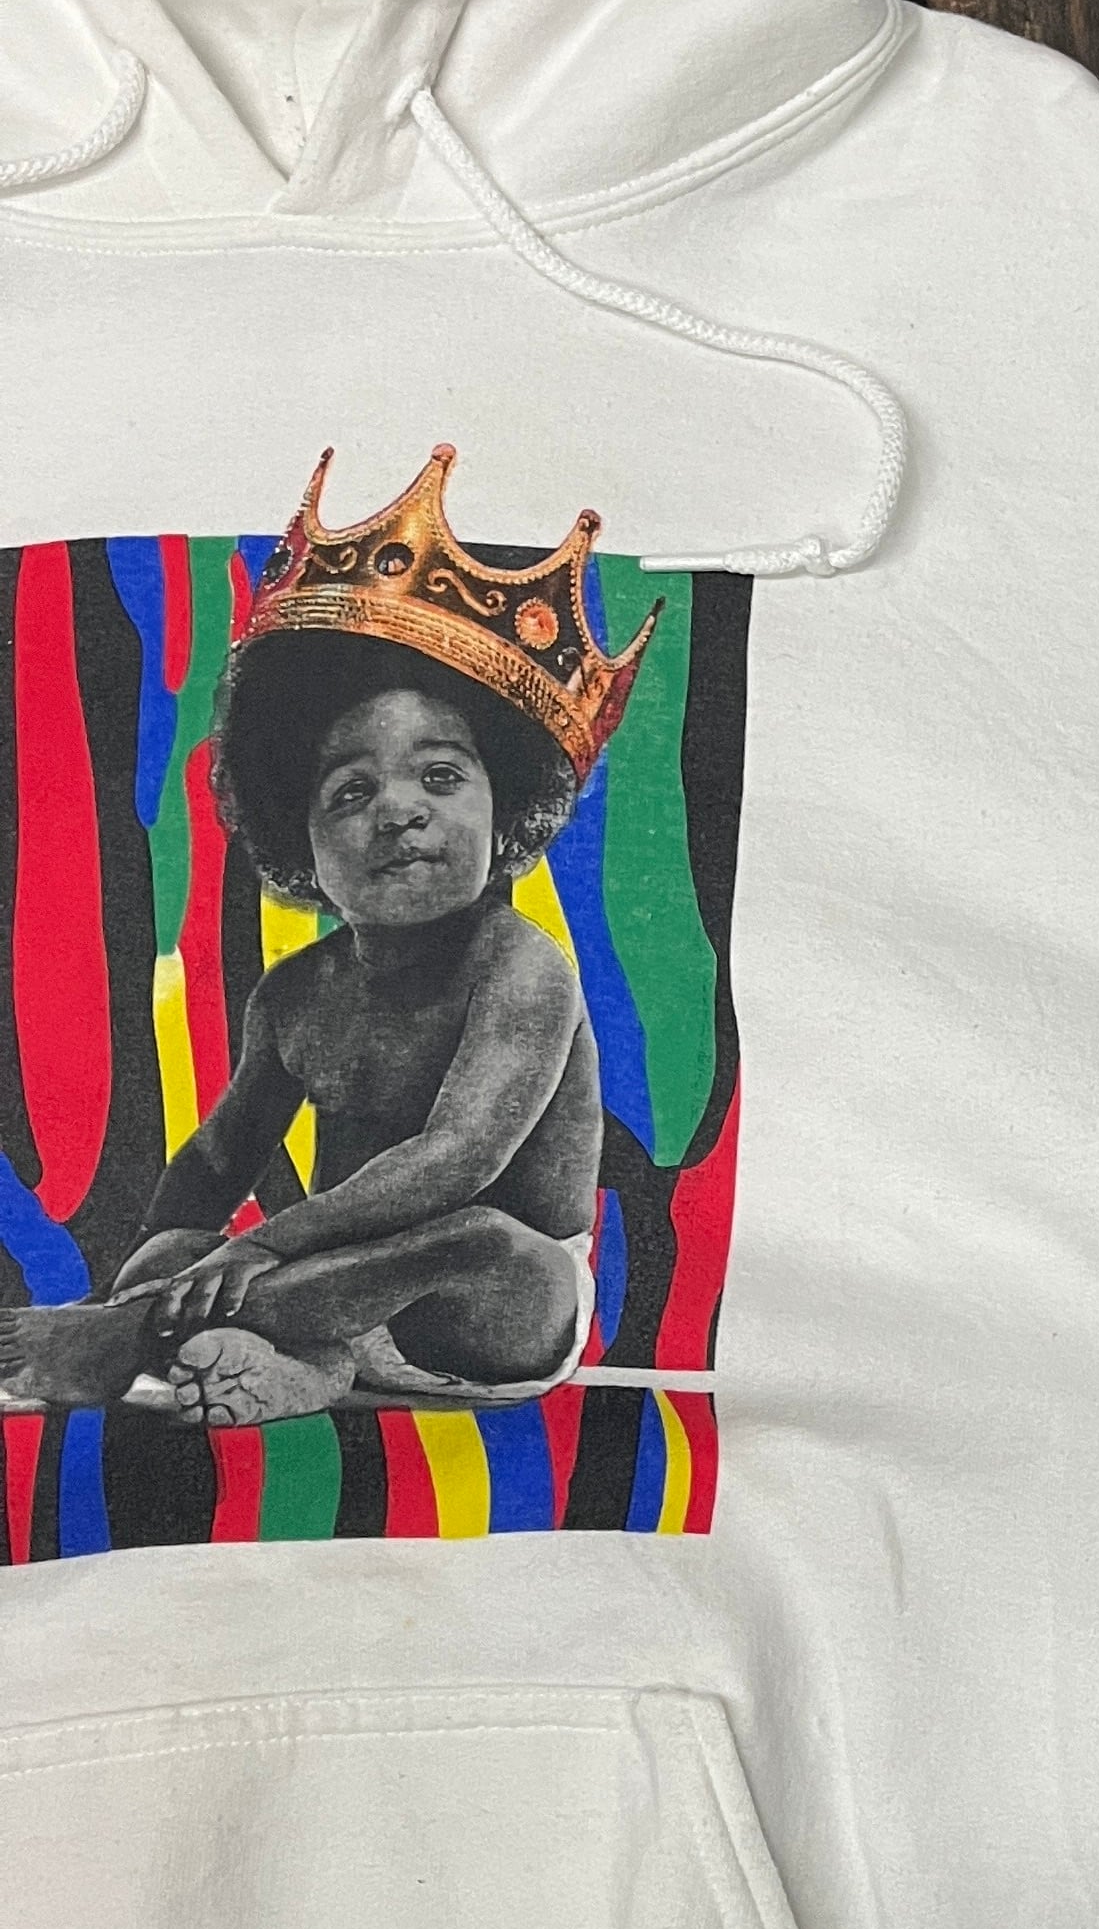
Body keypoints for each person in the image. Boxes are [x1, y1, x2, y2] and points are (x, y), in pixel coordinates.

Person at [0, 464, 644, 1429]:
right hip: (330, 1294)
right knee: (180, 1251)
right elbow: (219, 1157)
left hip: (491, 1314)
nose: (399, 812)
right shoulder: (295, 993)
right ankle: (300, 1367)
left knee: (484, 1238)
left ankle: (133, 1337)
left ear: (503, 806)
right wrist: (164, 1255)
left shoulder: (521, 966)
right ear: (296, 846)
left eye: (440, 777)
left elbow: (456, 1160)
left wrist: (258, 1250)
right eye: (351, 793)